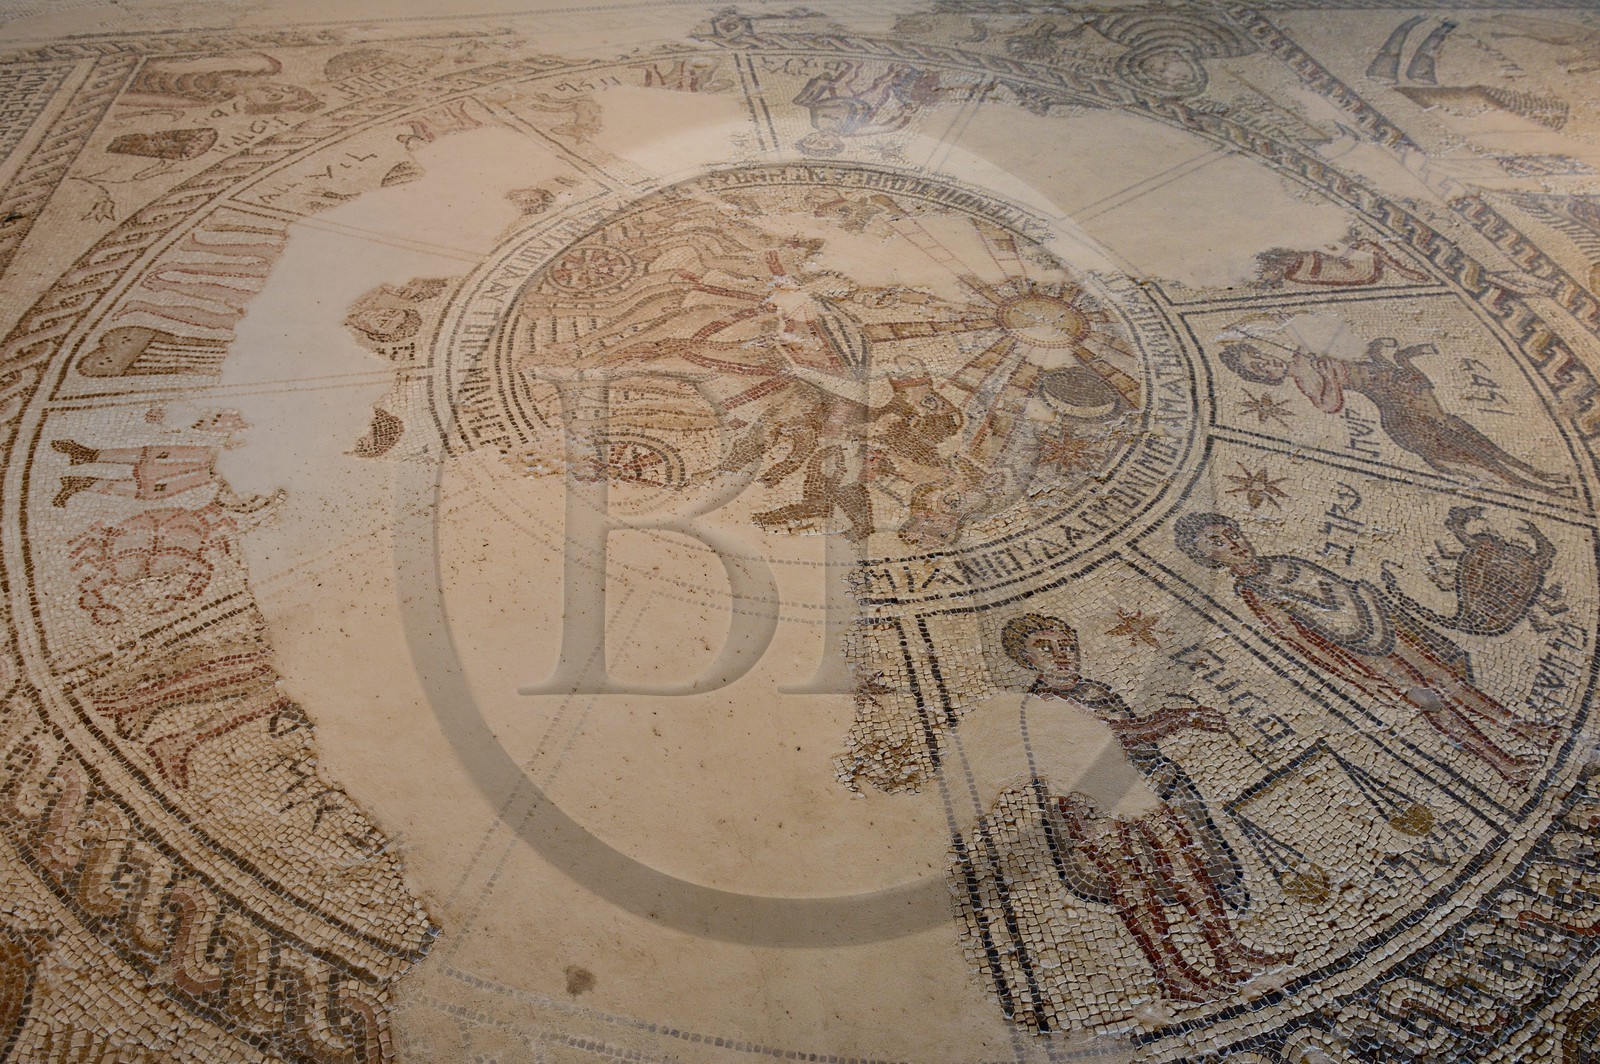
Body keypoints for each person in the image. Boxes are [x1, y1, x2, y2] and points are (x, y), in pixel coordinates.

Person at [1000, 613, 1291, 1002]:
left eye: (1067, 645)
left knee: (1184, 859)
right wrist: (1175, 718)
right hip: (1087, 802)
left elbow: (1130, 742)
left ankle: (1229, 954)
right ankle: (1173, 973)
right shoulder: (1039, 704)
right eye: (1045, 648)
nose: (1061, 655)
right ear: (1025, 658)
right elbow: (1111, 735)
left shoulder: (1095, 691)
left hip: (1135, 788)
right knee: (1130, 881)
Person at [1173, 512, 1557, 784]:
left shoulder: (1280, 560)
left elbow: (1332, 587)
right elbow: (1298, 640)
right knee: (1431, 701)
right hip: (1358, 648)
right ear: (1209, 558)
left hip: (1377, 621)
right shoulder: (1253, 592)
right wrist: (1359, 678)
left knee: (1446, 678)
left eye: (1230, 532)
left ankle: (1522, 728)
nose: (1233, 543)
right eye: (1217, 543)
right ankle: (1503, 763)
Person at [1218, 338, 1572, 495]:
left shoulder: (1295, 356)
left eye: (1259, 357)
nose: (1267, 364)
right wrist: (1328, 378)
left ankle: (1531, 476)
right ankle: (1528, 483)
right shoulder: (1303, 377)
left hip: (1392, 384)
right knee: (1460, 444)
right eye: (1260, 370)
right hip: (1397, 409)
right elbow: (1329, 405)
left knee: (1463, 432)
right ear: (1264, 379)